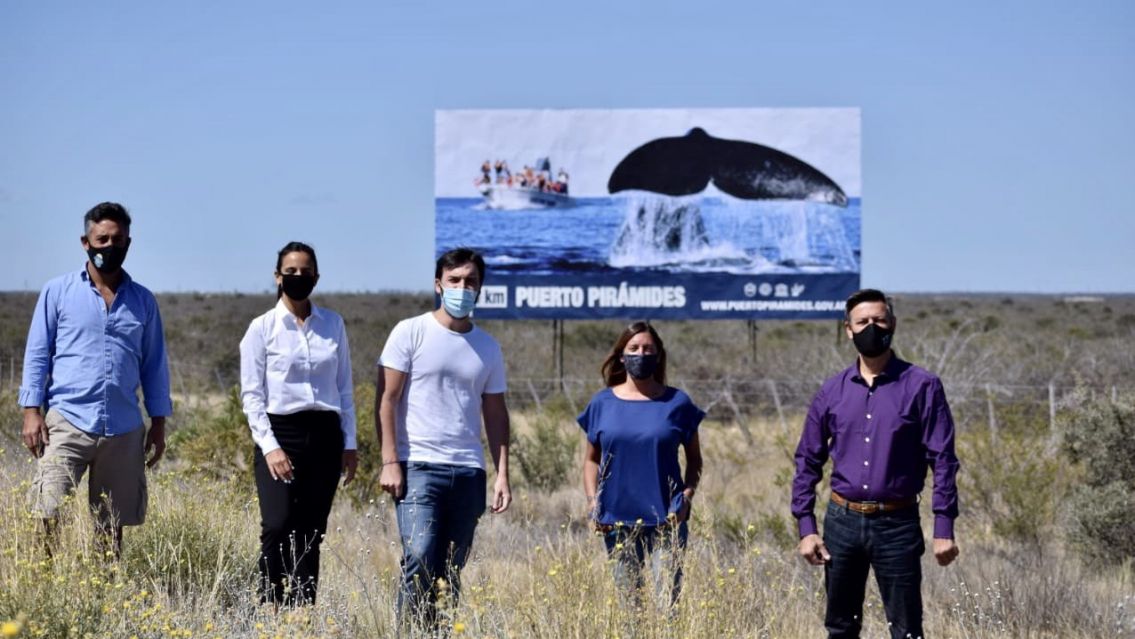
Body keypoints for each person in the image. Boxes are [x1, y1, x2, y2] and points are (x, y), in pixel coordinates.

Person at [792, 288, 960, 639]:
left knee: (906, 630)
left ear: (893, 324)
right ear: (848, 330)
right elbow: (808, 459)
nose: (872, 328)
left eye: (879, 320)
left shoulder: (922, 386)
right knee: (840, 627)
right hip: (842, 523)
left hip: (896, 524)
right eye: (863, 322)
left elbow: (942, 459)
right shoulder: (832, 391)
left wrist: (943, 527)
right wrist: (806, 528)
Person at [19, 202, 171, 555]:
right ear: (85, 242)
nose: (109, 246)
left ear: (128, 243)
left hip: (122, 428)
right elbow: (37, 353)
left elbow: (154, 365)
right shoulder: (58, 292)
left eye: (117, 239)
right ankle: (41, 590)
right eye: (101, 238)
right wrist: (31, 410)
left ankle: (107, 596)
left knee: (111, 525)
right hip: (66, 421)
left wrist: (159, 422)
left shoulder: (143, 301)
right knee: (48, 512)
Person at [377, 247, 512, 631]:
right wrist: (390, 461)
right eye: (454, 280)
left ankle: (437, 631)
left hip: (469, 472)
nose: (462, 287)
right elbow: (386, 399)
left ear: (480, 288)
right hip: (418, 467)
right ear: (439, 285)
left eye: (470, 281)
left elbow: (497, 415)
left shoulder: (488, 347)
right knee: (419, 556)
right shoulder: (410, 331)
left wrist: (502, 474)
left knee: (451, 569)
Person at [239, 241, 357, 606]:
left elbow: (345, 389)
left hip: (325, 435)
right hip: (280, 432)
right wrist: (270, 447)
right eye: (290, 272)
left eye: (306, 272)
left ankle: (301, 613)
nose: (298, 278)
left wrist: (349, 443)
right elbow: (252, 396)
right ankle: (270, 608)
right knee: (277, 524)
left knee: (310, 532)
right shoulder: (261, 328)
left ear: (316, 277)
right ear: (277, 277)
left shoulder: (333, 324)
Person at [578, 321, 704, 610]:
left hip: (667, 518)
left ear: (658, 355)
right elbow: (590, 460)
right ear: (621, 355)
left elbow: (695, 459)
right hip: (616, 519)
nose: (641, 354)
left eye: (648, 349)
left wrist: (686, 497)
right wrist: (592, 501)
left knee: (667, 608)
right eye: (633, 348)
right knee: (629, 609)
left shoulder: (678, 403)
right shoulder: (602, 403)